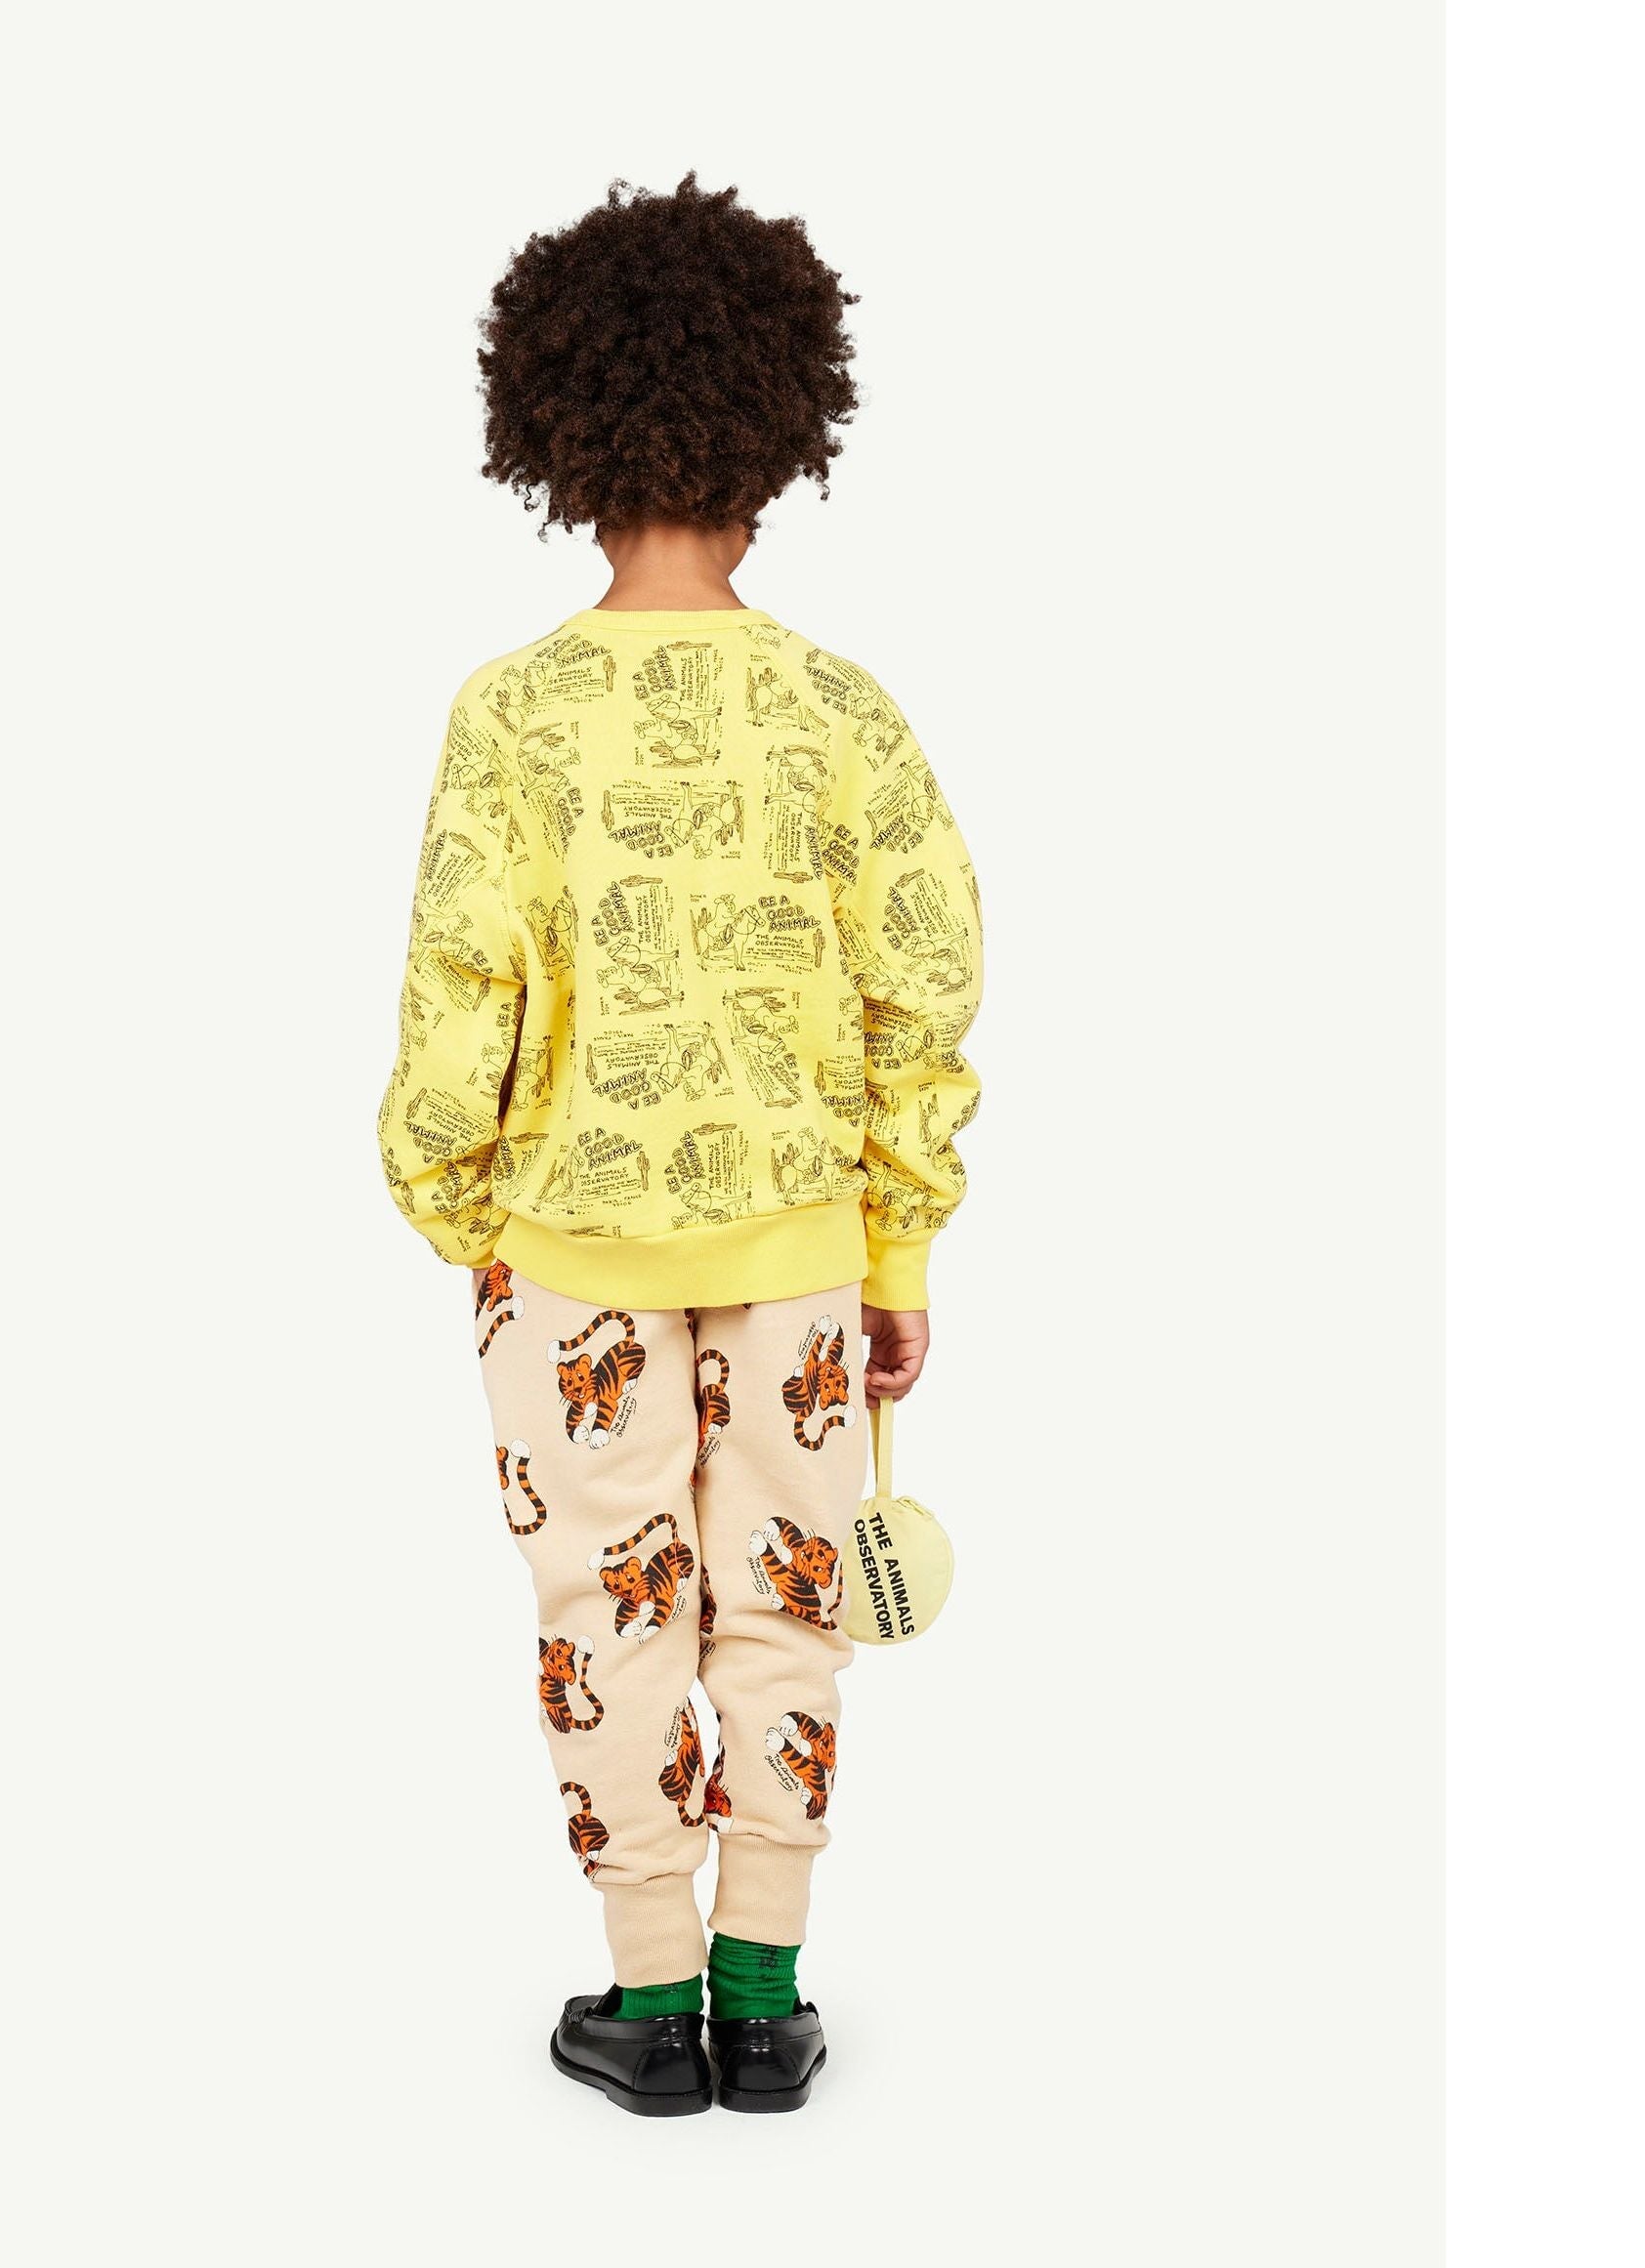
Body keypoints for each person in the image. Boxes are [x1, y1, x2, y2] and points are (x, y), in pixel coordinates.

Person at [375, 176, 982, 2115]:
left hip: (566, 1258)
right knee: (790, 1598)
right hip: (801, 1251)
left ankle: (646, 2008)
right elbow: (921, 989)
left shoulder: (514, 714)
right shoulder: (836, 709)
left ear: (559, 443)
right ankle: (766, 1998)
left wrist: (462, 1213)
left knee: (607, 1610)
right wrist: (893, 1252)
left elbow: (457, 994)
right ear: (777, 440)